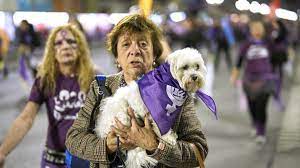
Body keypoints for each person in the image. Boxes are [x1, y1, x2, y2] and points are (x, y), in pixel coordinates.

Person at [65, 14, 208, 168]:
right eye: (126, 44)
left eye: (143, 44)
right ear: (117, 58)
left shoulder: (176, 93)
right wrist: (108, 145)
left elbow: (198, 151)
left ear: (154, 54)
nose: (135, 51)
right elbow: (73, 139)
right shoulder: (101, 87)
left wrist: (155, 146)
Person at [0, 24, 96, 168]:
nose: (65, 46)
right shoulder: (46, 79)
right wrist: (2, 152)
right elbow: (26, 118)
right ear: (53, 51)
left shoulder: (95, 78)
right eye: (59, 43)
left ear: (80, 47)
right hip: (53, 161)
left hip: (86, 159)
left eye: (71, 41)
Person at [230, 21, 276, 144]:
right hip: (249, 80)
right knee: (252, 106)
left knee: (262, 106)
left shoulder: (269, 43)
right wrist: (234, 76)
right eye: (254, 28)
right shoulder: (246, 44)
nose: (257, 30)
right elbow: (239, 62)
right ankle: (255, 124)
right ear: (251, 30)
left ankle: (261, 131)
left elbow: (277, 56)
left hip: (266, 80)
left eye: (259, 28)